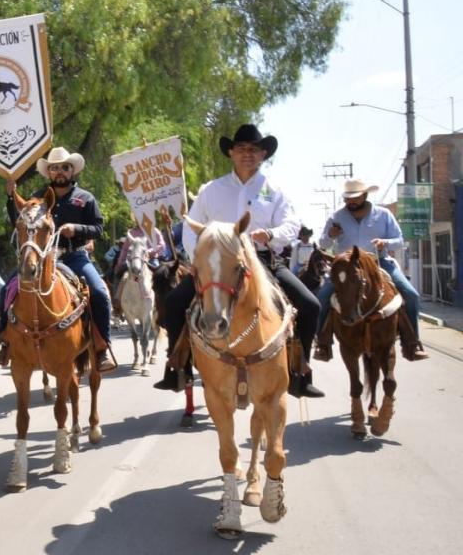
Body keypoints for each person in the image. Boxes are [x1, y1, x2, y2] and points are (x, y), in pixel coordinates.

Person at [156, 124, 324, 398]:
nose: (248, 154)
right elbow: (191, 226)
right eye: (242, 149)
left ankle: (300, 372)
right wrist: (201, 257)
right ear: (231, 153)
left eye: (254, 150)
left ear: (263, 155)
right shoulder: (211, 190)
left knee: (310, 305)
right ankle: (178, 367)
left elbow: (292, 225)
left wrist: (271, 233)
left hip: (264, 261)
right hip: (216, 263)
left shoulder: (275, 191)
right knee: (174, 303)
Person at [3, 147, 118, 372]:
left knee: (100, 292)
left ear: (72, 170)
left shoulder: (85, 198)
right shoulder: (38, 198)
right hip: (43, 258)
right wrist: (11, 196)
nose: (59, 172)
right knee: (8, 288)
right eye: (54, 168)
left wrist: (75, 229)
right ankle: (5, 342)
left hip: (75, 256)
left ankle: (102, 347)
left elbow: (98, 228)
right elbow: (20, 220)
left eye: (64, 167)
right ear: (49, 172)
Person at [314, 179, 427, 361]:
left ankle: (412, 343)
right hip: (345, 268)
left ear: (365, 196)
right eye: (348, 199)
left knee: (411, 294)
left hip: (378, 262)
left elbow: (400, 239)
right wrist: (330, 235)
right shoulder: (336, 217)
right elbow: (322, 243)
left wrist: (385, 243)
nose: (351, 202)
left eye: (355, 198)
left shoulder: (383, 214)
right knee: (322, 296)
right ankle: (323, 343)